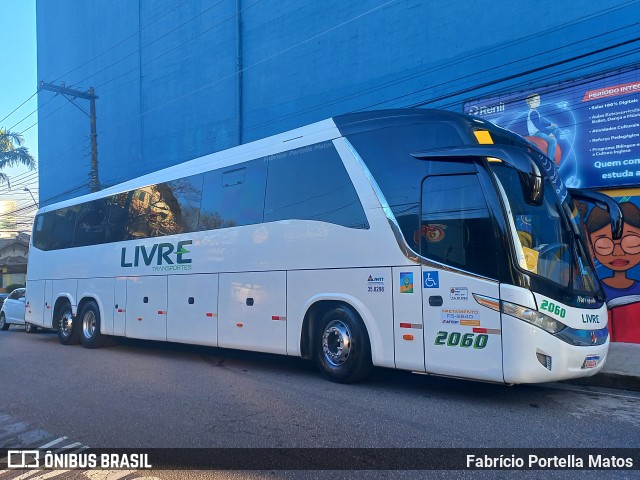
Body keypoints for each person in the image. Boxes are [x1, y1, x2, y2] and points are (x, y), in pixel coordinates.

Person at [586, 202, 640, 343]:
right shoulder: (595, 291)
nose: (618, 252)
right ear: (591, 247)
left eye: (631, 243)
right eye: (604, 244)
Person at [525, 93, 561, 159]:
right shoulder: (533, 113)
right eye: (536, 99)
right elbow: (539, 126)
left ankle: (549, 142)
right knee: (553, 141)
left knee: (554, 127)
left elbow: (541, 121)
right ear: (531, 102)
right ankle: (551, 159)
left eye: (539, 99)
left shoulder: (534, 111)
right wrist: (549, 133)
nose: (539, 101)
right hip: (536, 133)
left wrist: (550, 124)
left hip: (538, 131)